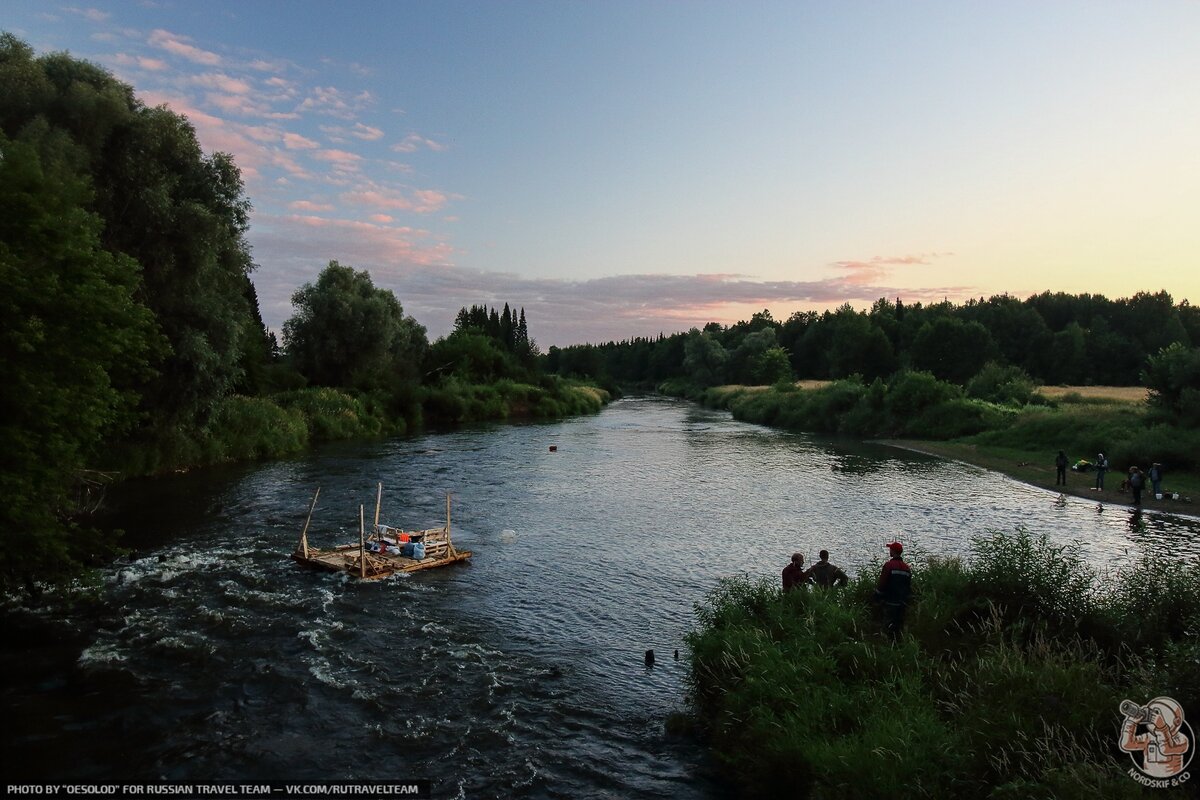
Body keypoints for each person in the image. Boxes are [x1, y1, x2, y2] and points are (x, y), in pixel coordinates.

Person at [874, 541, 912, 637]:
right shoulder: (907, 568)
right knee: (898, 628)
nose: (889, 550)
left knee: (887, 627)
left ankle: (886, 645)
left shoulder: (889, 566)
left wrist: (876, 597)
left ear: (893, 551)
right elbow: (908, 587)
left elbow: (882, 584)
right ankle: (897, 646)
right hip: (902, 604)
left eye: (890, 549)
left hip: (889, 602)